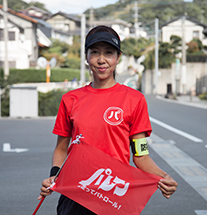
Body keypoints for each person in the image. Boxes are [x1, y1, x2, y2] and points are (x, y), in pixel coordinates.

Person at [38, 25, 178, 215]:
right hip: (75, 192)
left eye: (109, 53)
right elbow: (61, 149)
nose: (101, 60)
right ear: (86, 57)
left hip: (113, 196)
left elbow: (140, 154)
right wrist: (53, 177)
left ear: (118, 57)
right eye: (94, 52)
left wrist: (163, 177)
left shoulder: (135, 100)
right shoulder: (70, 99)